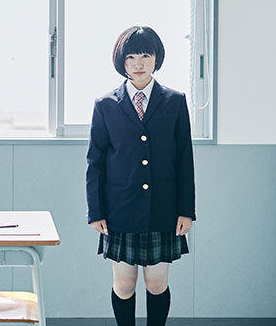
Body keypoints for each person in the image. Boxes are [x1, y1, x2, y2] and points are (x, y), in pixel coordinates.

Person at [86, 26, 196, 326]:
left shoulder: (174, 101)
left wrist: (187, 210)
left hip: (163, 208)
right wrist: (95, 212)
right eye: (131, 56)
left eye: (145, 55)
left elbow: (185, 159)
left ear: (156, 57)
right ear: (121, 61)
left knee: (156, 284)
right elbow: (94, 162)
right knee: (123, 285)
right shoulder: (105, 105)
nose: (138, 62)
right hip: (120, 208)